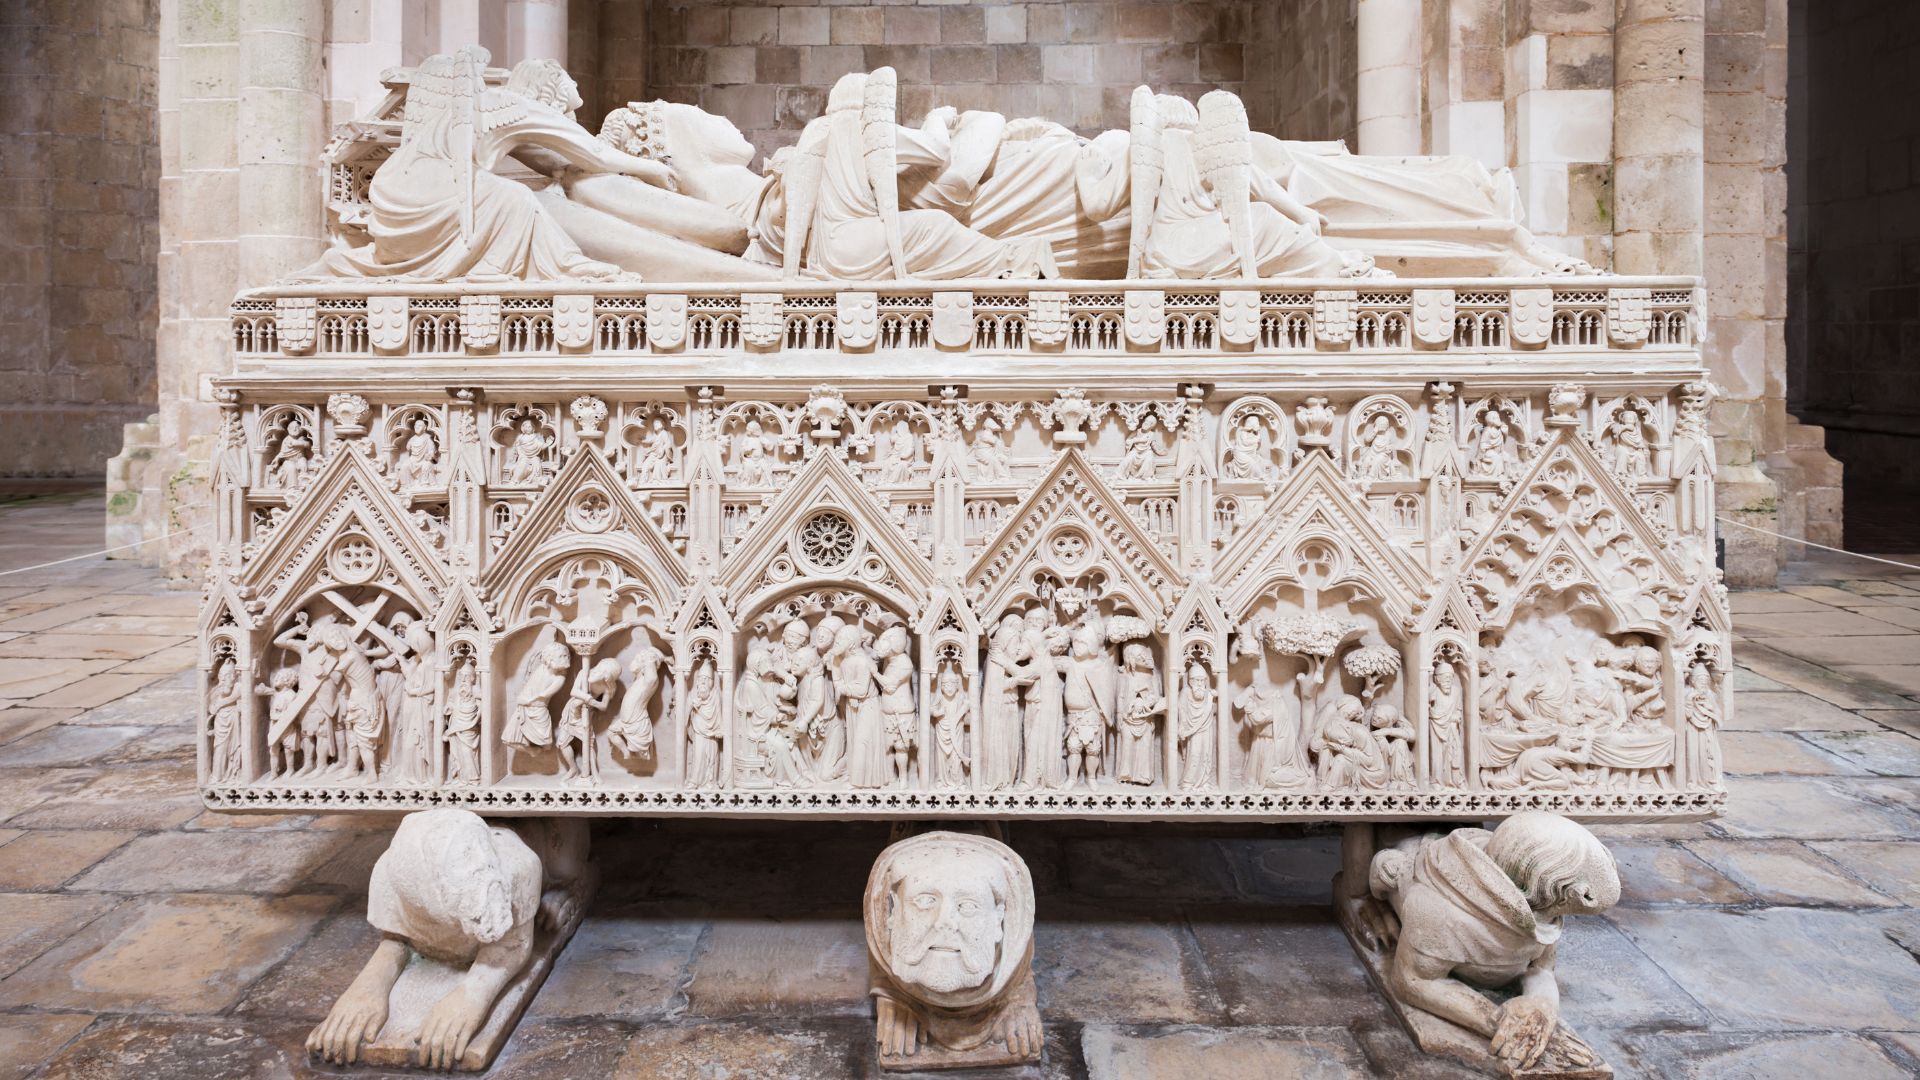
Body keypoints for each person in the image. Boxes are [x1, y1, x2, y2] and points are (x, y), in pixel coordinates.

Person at [557, 658, 619, 784]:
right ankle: (573, 768)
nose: (596, 673)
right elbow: (573, 691)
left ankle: (594, 772)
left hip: (585, 712)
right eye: (598, 670)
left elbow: (603, 706)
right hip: (572, 711)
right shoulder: (583, 673)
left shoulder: (607, 687)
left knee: (588, 743)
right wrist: (586, 698)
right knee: (562, 743)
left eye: (602, 673)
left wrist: (591, 702)